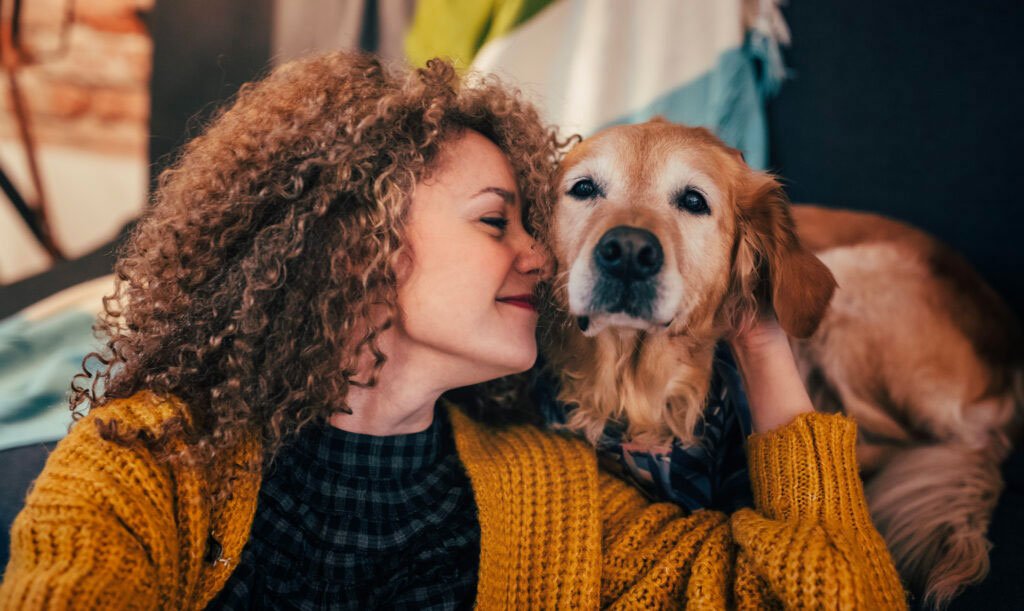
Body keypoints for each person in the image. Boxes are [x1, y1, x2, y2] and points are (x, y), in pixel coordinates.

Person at [0, 51, 907, 609]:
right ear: (359, 247)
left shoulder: (555, 498)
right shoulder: (147, 460)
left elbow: (839, 594)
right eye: (496, 221)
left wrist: (759, 336)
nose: (545, 257)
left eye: (530, 220)